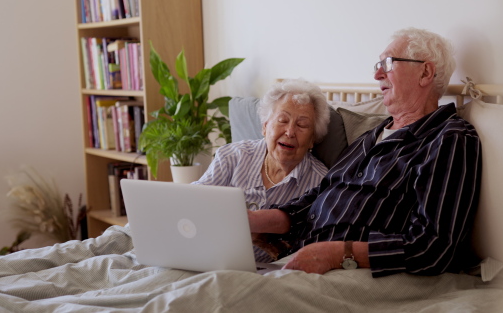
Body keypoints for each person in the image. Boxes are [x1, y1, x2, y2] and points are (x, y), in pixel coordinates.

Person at [248, 27, 482, 277]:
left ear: (425, 72)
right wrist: (255, 220)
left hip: (360, 270)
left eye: (388, 63)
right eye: (377, 65)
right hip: (307, 260)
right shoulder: (372, 135)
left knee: (215, 291)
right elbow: (319, 197)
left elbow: (434, 248)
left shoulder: (449, 138)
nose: (377, 74)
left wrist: (337, 254)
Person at [193, 78, 331, 262]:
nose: (290, 132)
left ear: (313, 139)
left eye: (302, 125)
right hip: (208, 256)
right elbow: (193, 201)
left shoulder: (321, 183)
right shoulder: (232, 157)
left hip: (267, 273)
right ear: (265, 126)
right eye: (282, 120)